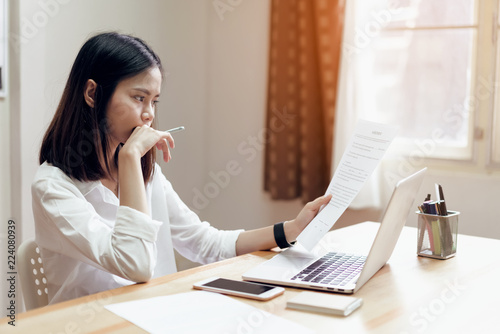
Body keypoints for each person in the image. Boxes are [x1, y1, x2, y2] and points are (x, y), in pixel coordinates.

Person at [31, 32, 332, 304]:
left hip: (152, 315)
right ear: (93, 94)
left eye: (154, 101)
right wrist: (130, 159)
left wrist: (291, 230)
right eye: (138, 98)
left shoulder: (144, 172)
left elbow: (206, 243)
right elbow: (134, 265)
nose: (148, 114)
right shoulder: (53, 187)